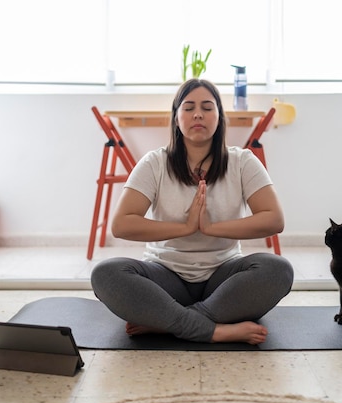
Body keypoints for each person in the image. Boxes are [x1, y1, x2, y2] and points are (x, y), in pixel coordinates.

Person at [91, 79, 293, 345]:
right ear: (176, 118)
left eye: (207, 107)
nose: (198, 114)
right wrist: (186, 228)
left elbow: (274, 219)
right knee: (106, 273)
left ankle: (170, 323)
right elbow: (122, 225)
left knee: (278, 269)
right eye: (188, 108)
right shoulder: (155, 163)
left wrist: (210, 228)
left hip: (223, 279)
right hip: (166, 277)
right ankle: (214, 330)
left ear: (219, 118)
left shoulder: (242, 162)